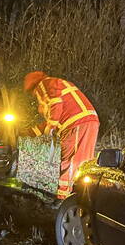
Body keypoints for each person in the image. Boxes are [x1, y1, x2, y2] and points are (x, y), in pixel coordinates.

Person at [23, 71, 99, 200]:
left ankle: (61, 199)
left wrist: (51, 127)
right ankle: (81, 196)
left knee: (69, 161)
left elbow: (55, 103)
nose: (34, 96)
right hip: (88, 121)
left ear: (33, 86)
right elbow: (53, 116)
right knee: (82, 163)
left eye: (32, 93)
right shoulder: (57, 83)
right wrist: (29, 132)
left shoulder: (44, 84)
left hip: (75, 124)